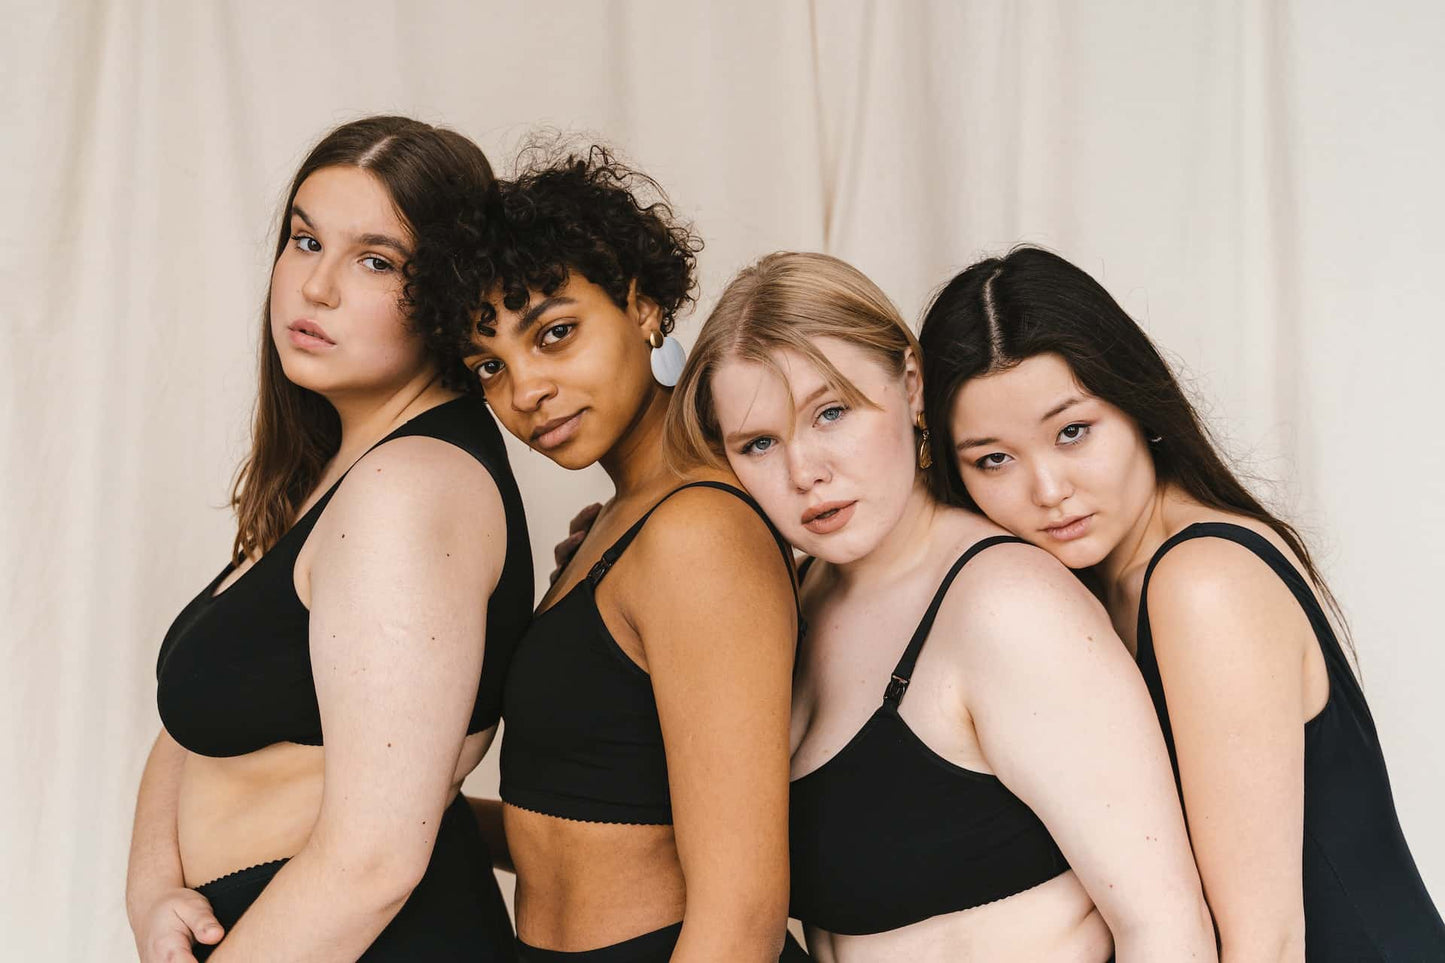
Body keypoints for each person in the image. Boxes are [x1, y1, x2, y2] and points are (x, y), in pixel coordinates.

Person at [663, 251, 1215, 961]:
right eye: (759, 442)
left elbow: (1165, 929)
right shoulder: (786, 600)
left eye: (831, 413)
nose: (804, 472)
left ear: (911, 385)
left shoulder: (1007, 605)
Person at [918, 245, 1445, 960]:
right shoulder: (1094, 587)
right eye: (993, 459)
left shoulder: (1203, 583)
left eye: (1072, 431)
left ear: (1135, 404)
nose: (1046, 489)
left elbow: (1265, 942)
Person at [126, 115, 531, 962]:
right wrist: (156, 888)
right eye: (305, 241)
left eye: (377, 261)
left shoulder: (409, 488)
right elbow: (195, 723)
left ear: (449, 295)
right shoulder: (338, 472)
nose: (315, 287)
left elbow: (373, 861)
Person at [452, 146, 808, 961]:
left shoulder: (699, 534)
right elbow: (592, 821)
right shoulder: (619, 523)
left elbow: (742, 910)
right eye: (489, 367)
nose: (524, 390)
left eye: (555, 333)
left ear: (643, 305)